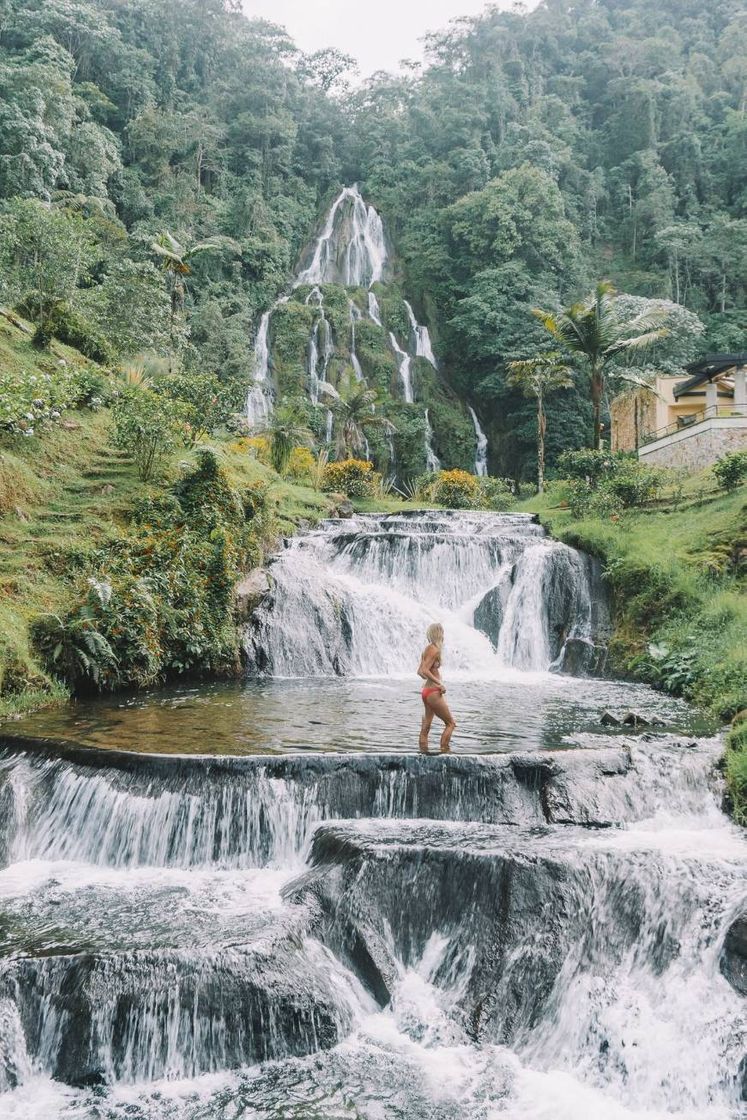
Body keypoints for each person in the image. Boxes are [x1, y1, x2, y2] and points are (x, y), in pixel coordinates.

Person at [417, 622, 456, 754]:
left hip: (426, 692)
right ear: (438, 634)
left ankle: (423, 754)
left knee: (426, 727)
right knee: (451, 724)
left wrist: (430, 676)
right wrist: (439, 683)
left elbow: (420, 672)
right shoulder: (435, 650)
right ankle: (445, 753)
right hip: (433, 692)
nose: (444, 636)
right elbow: (424, 670)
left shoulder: (426, 650)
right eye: (442, 633)